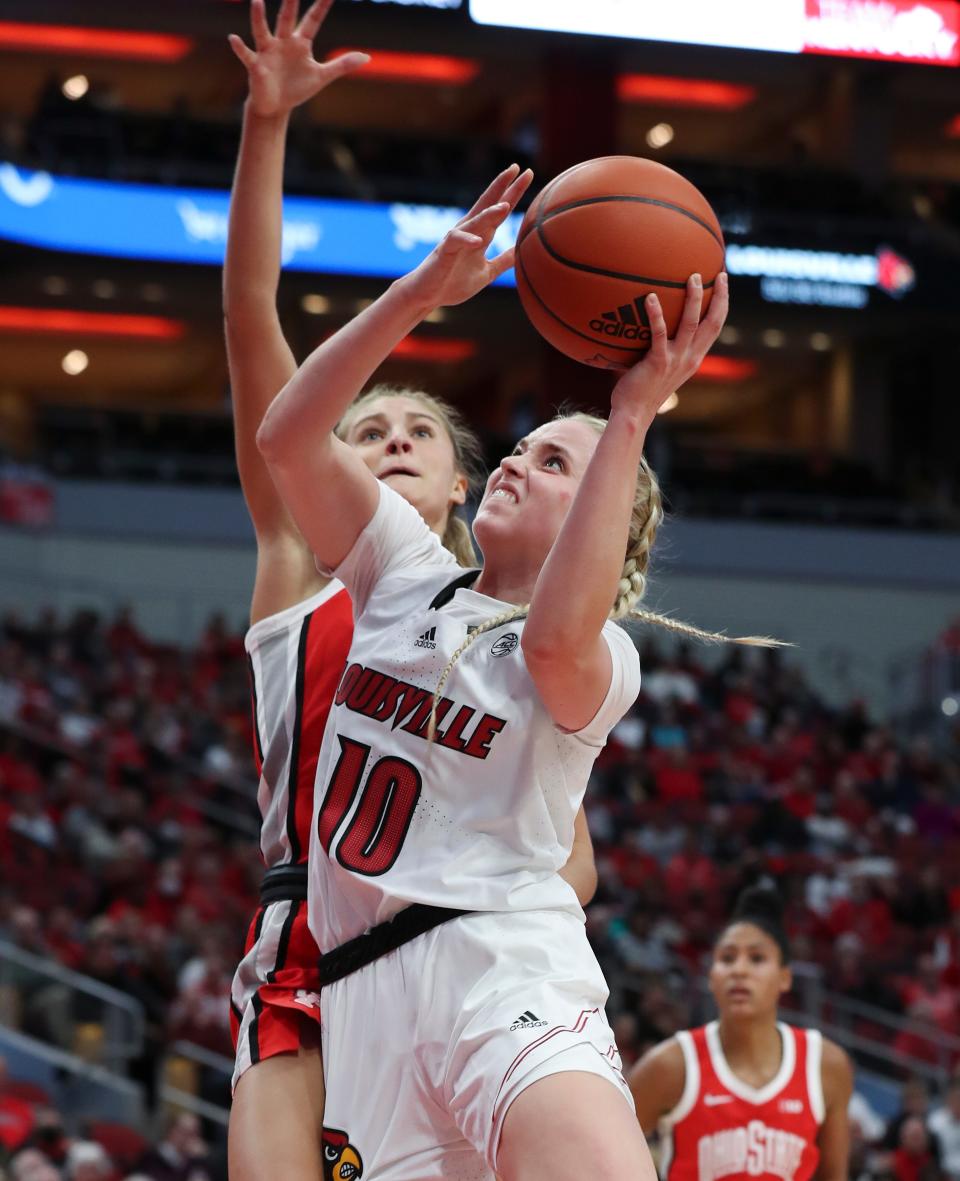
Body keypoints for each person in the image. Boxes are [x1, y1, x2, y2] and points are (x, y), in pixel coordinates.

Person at [255, 137, 773, 1175]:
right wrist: (419, 293)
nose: (518, 463)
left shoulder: (603, 657)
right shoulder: (401, 571)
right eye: (525, 447)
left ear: (605, 512)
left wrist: (630, 414)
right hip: (363, 1002)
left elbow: (548, 634)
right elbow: (287, 437)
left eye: (555, 462)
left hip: (507, 970)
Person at [223, 4, 598, 1180]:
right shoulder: (301, 555)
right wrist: (266, 125)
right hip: (301, 948)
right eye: (366, 426)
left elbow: (570, 863)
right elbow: (249, 326)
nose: (384, 439)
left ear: (460, 483)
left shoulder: (510, 641)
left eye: (413, 432)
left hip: (449, 966)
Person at [629, 885, 853, 1181]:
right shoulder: (670, 1065)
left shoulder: (826, 1065)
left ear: (785, 977)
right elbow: (605, 1156)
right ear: (711, 977)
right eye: (727, 958)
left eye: (757, 958)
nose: (739, 970)